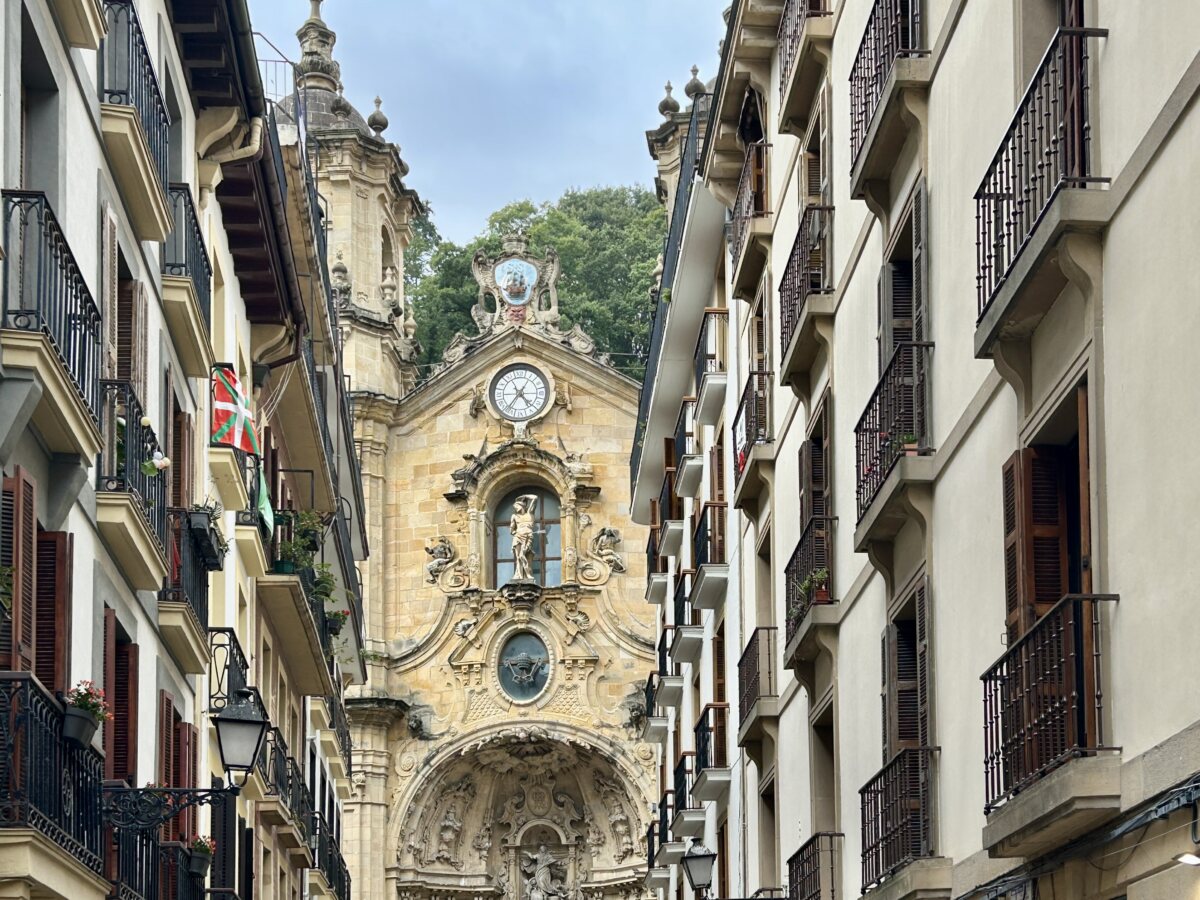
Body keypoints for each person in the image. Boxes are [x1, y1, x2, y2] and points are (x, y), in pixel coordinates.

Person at [510, 494, 538, 581]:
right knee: (519, 557)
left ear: (522, 506)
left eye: (516, 506)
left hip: (528, 537)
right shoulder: (514, 516)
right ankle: (519, 575)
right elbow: (511, 530)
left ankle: (527, 574)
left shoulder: (530, 513)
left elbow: (535, 498)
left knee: (526, 555)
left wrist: (525, 496)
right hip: (518, 537)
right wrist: (515, 532)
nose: (515, 508)